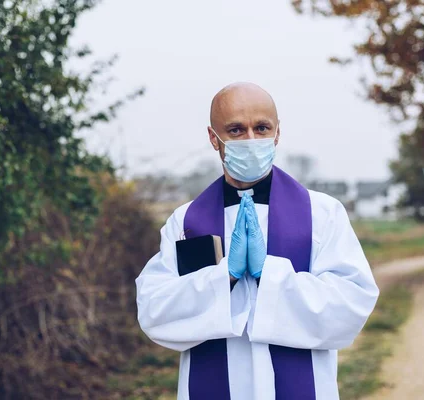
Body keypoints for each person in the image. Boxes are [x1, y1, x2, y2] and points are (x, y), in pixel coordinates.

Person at [135, 82, 379, 400]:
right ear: (214, 138)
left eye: (261, 128)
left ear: (277, 133)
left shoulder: (323, 214)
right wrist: (226, 277)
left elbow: (352, 305)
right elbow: (154, 311)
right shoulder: (185, 222)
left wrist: (270, 276)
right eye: (236, 130)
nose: (251, 140)